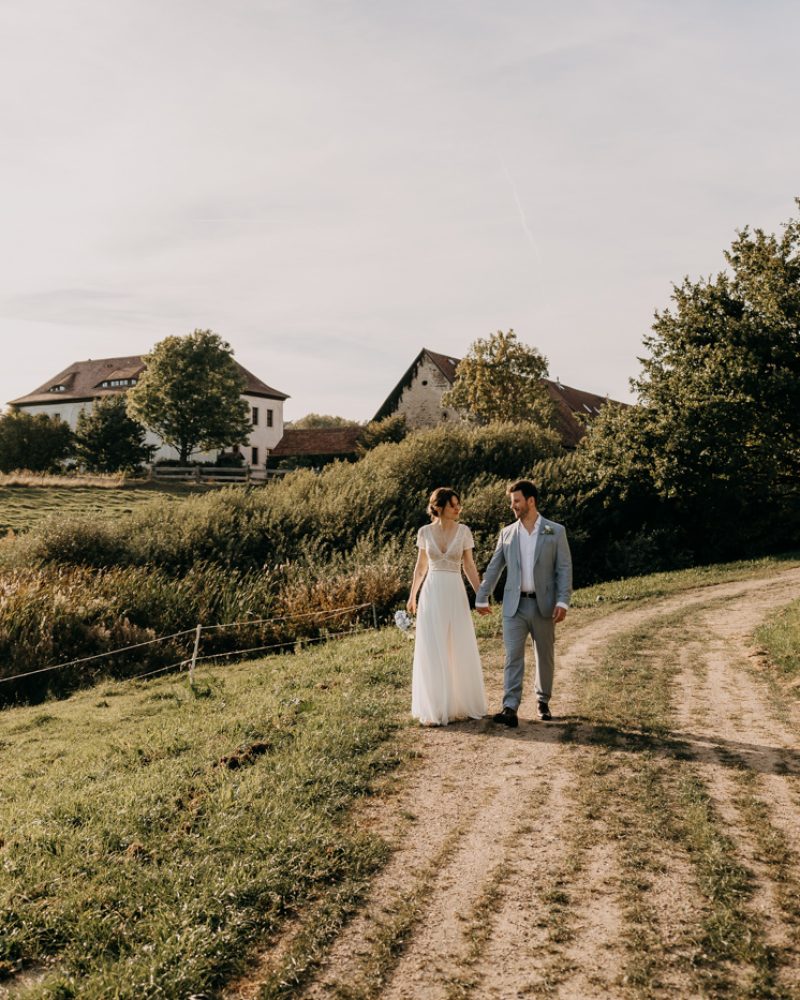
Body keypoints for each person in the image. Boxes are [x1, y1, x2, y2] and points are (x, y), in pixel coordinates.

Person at [475, 479, 572, 726]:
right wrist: (481, 595)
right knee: (512, 656)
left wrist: (563, 601)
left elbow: (563, 568)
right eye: (511, 502)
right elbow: (495, 567)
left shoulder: (554, 530)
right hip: (514, 606)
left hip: (545, 605)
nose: (513, 506)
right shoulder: (507, 533)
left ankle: (543, 701)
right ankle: (510, 707)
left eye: (516, 501)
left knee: (545, 655)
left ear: (531, 501)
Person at [407, 487, 488, 726]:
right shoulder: (424, 532)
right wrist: (413, 596)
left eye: (458, 504)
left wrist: (480, 596)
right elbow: (420, 567)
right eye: (453, 504)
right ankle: (435, 707)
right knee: (433, 646)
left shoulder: (464, 531)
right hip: (431, 592)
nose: (457, 508)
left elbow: (469, 567)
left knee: (457, 644)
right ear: (439, 507)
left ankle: (458, 704)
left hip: (454, 591)